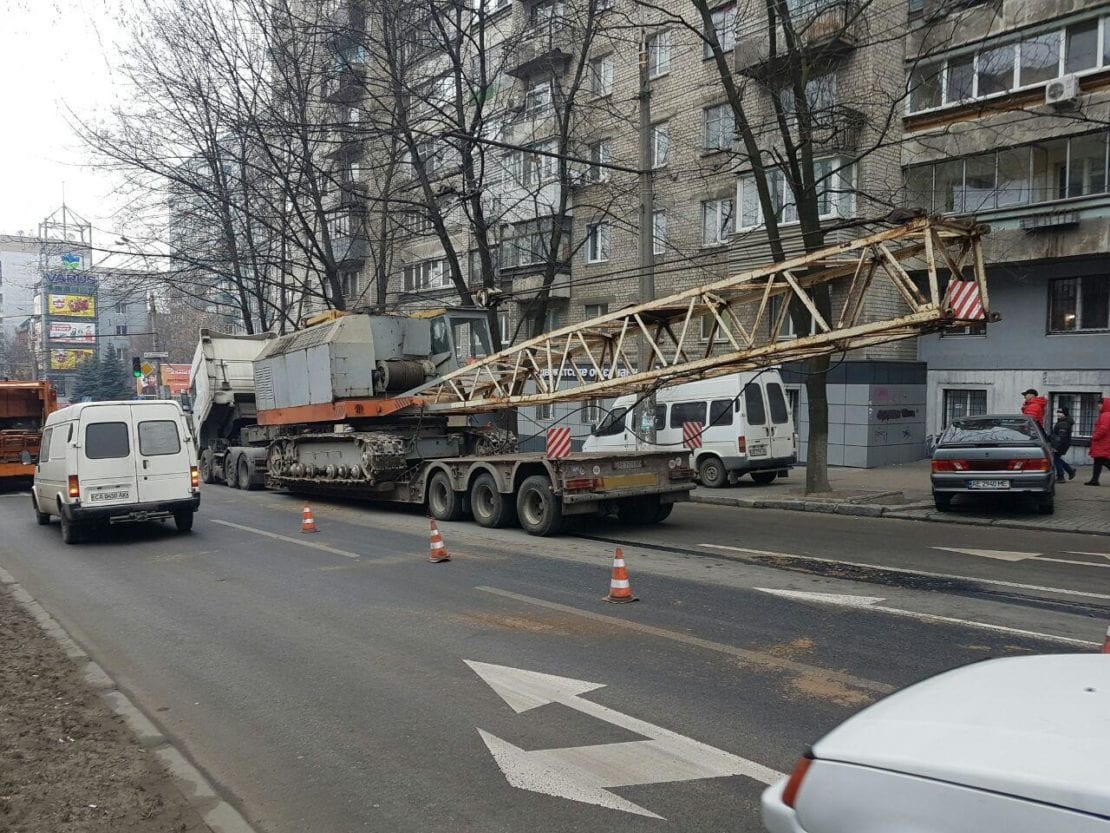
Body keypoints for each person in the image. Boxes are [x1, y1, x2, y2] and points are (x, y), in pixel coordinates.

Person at [1086, 397, 1110, 486]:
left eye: (1100, 403)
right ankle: (1094, 480)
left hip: (1102, 443)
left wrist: (1094, 437)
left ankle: (1094, 480)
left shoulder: (1105, 415)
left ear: (1105, 405)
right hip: (1103, 443)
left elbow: (1103, 429)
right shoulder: (1106, 414)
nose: (1098, 405)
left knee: (1104, 462)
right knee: (1098, 462)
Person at [1049, 406, 1076, 481]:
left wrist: (1056, 447)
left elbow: (1061, 437)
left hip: (1061, 444)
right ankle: (1070, 471)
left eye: (1060, 412)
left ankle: (1061, 476)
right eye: (1057, 412)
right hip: (1062, 444)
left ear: (1065, 413)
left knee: (1056, 459)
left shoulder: (1064, 423)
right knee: (1056, 458)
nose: (1058, 414)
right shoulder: (1062, 421)